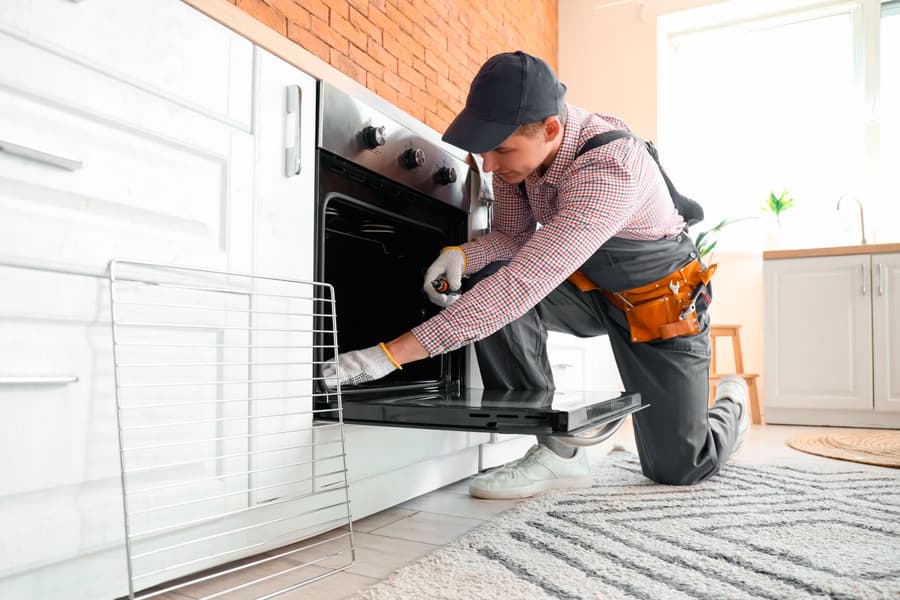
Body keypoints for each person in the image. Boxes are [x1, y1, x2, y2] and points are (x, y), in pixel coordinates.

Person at [323, 50, 750, 500]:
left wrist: (387, 356)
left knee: (679, 466)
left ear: (550, 129)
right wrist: (463, 255)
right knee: (488, 275)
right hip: (589, 291)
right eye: (484, 150)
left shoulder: (610, 168)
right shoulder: (518, 165)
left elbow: (520, 286)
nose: (490, 166)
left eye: (501, 150)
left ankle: (731, 408)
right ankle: (558, 453)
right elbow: (512, 237)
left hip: (657, 304)